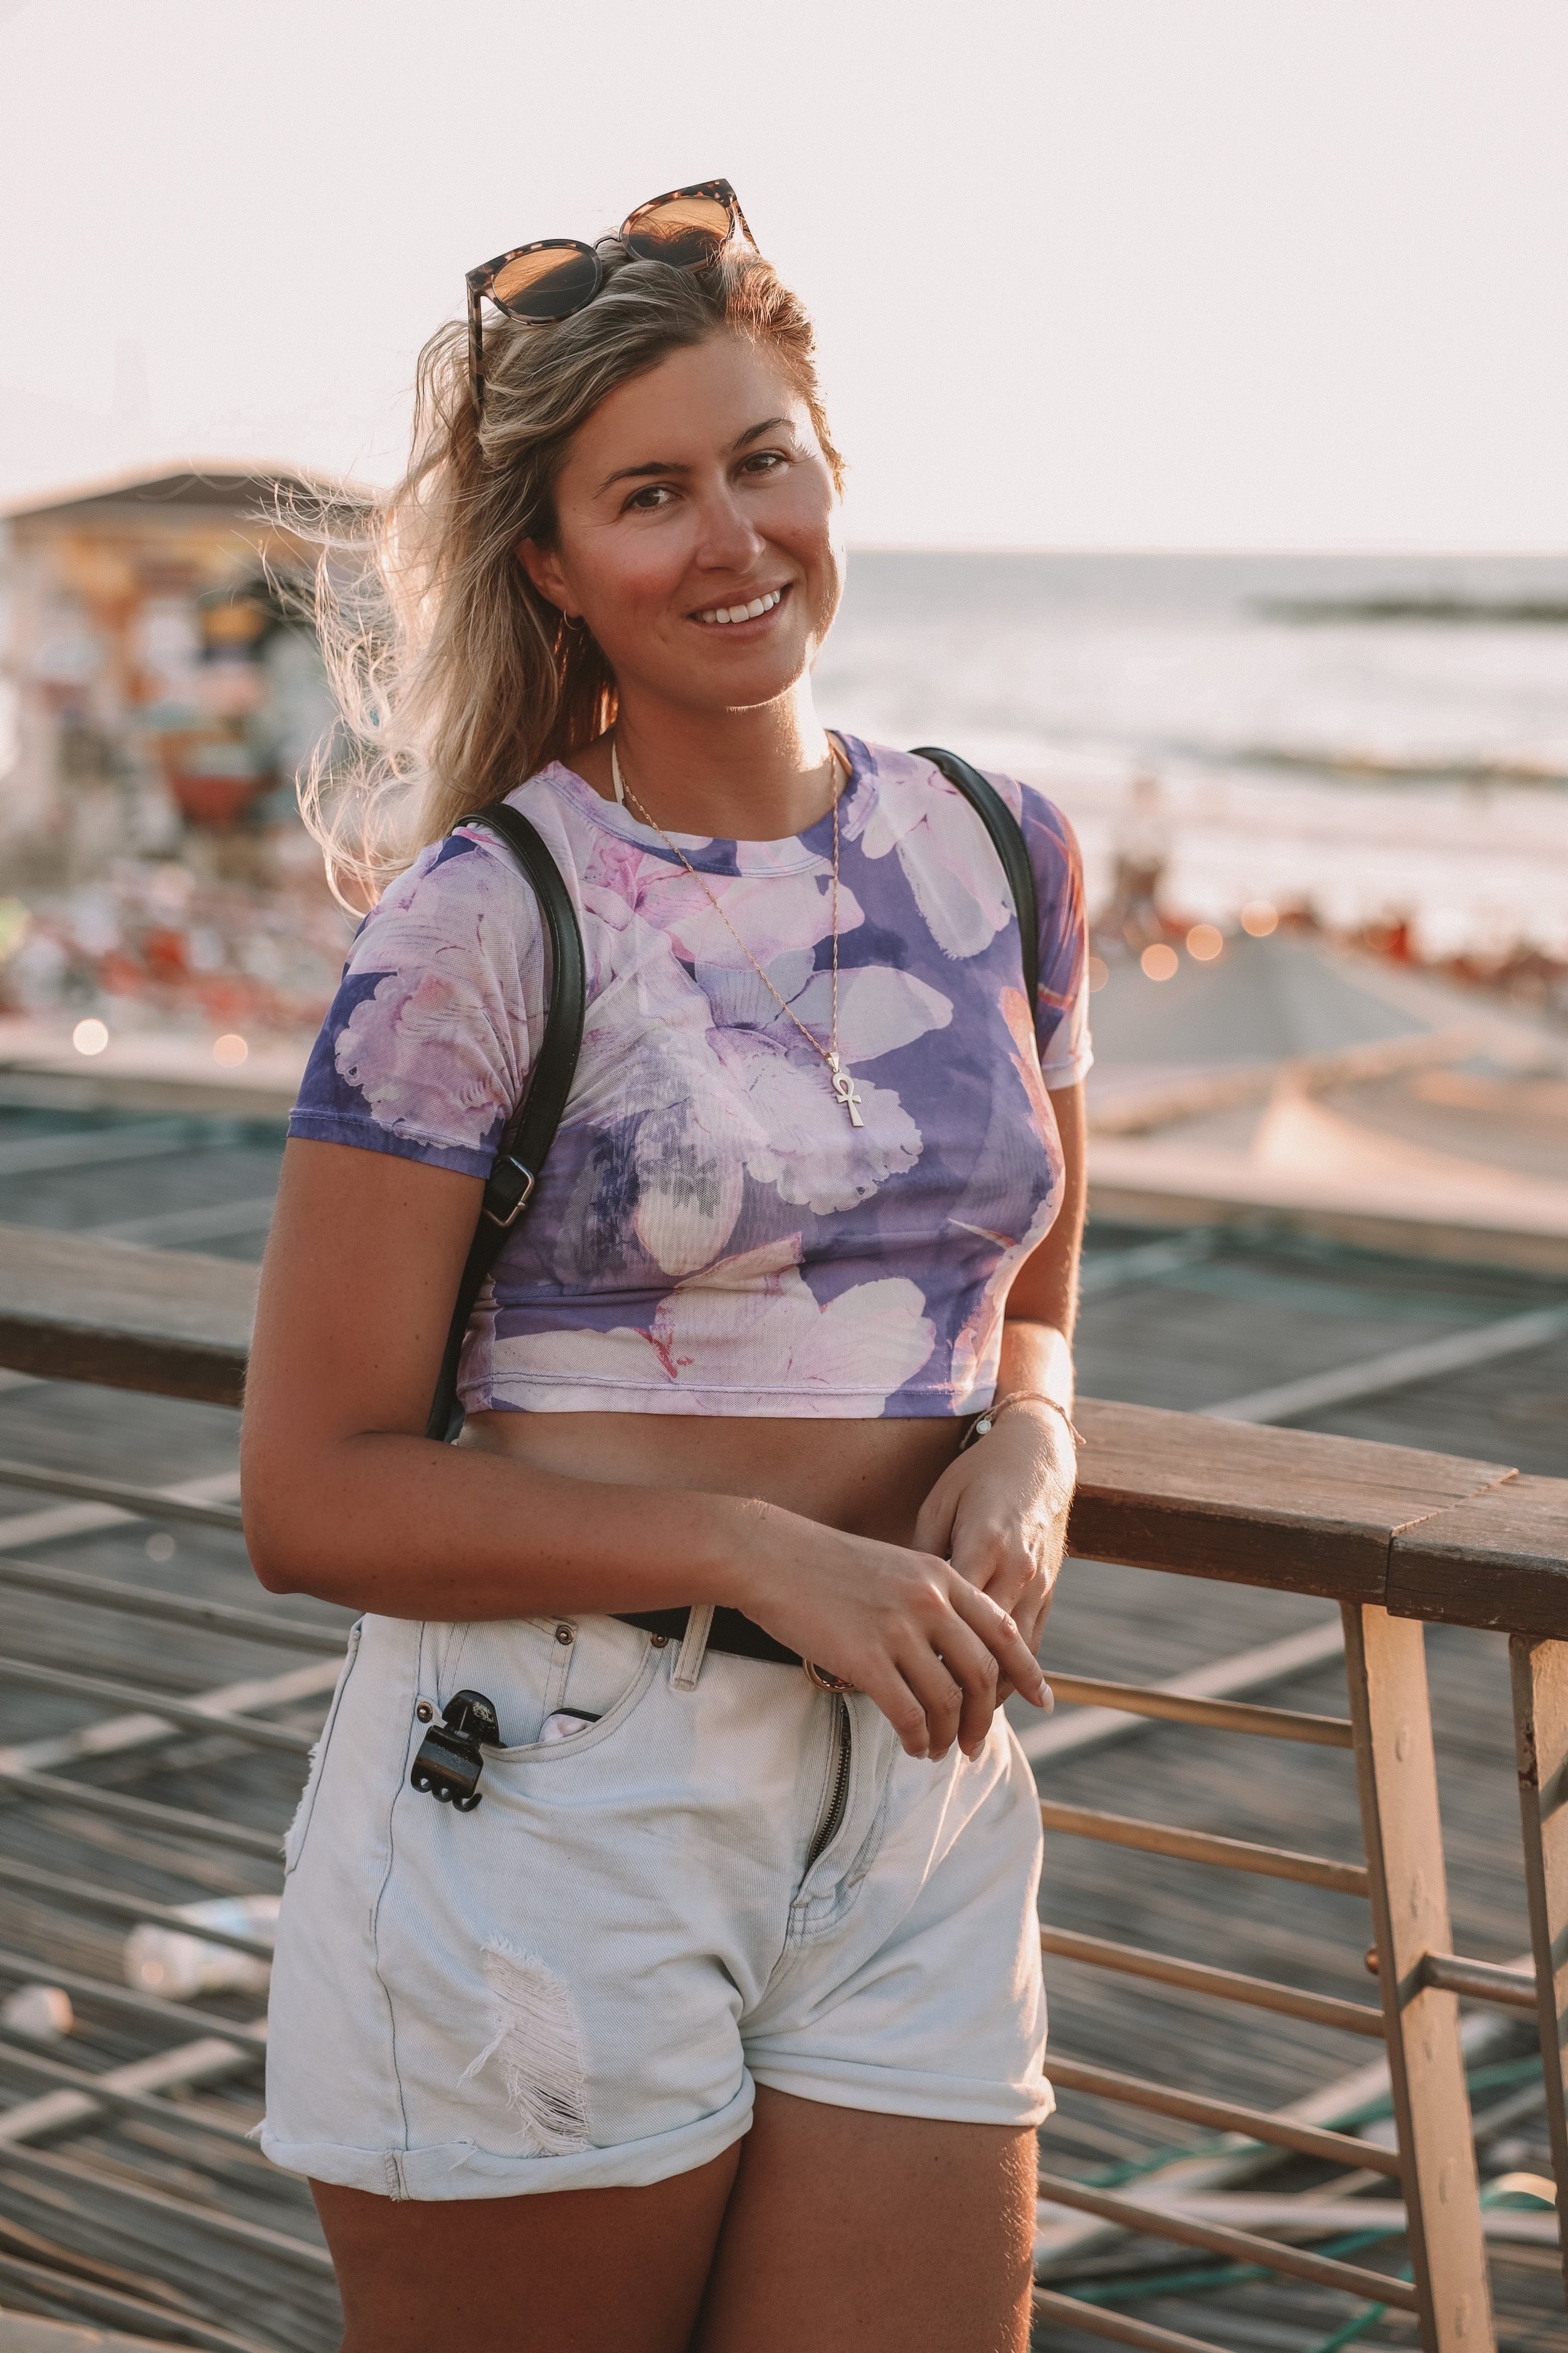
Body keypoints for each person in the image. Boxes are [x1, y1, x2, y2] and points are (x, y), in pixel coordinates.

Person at [242, 180, 1090, 2353]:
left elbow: (1032, 1269)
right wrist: (750, 1552)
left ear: (826, 471)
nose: (730, 539)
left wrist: (1036, 1437)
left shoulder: (998, 851)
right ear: (553, 564)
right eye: (650, 495)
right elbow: (312, 1489)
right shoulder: (480, 919)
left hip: (919, 1780)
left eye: (762, 461)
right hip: (558, 1782)